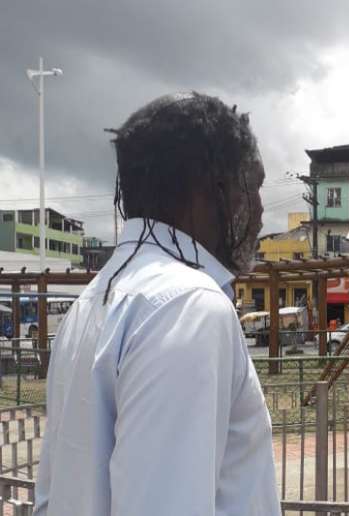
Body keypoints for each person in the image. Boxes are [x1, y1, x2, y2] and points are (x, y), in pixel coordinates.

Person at [34, 93, 280, 516]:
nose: (260, 209)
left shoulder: (92, 301)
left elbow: (50, 498)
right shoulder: (191, 305)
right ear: (211, 187)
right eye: (253, 185)